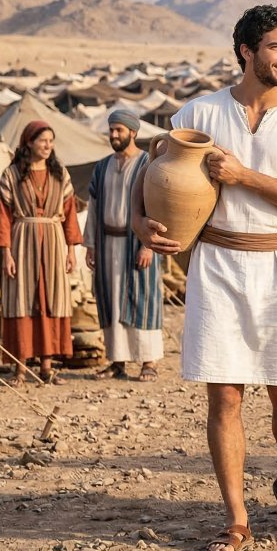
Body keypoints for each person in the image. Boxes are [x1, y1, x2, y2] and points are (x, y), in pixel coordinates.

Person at [132, 5, 277, 551]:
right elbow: (148, 173)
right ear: (246, 51)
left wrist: (243, 175)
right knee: (224, 395)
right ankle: (237, 516)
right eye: (275, 46)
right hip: (217, 264)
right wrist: (140, 223)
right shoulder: (199, 112)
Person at [0, 120, 82, 386]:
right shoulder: (12, 175)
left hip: (53, 242)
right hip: (22, 242)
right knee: (21, 299)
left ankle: (46, 367)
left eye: (51, 141)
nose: (48, 146)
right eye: (43, 141)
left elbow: (70, 215)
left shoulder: (60, 174)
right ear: (29, 143)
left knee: (51, 299)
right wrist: (6, 254)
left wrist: (71, 250)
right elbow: (2, 218)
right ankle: (20, 369)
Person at [86, 110, 163, 382]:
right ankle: (116, 361)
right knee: (112, 303)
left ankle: (148, 362)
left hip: (138, 244)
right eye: (111, 130)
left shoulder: (147, 163)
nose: (114, 135)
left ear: (133, 132)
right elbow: (93, 207)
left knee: (143, 300)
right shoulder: (102, 166)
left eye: (119, 130)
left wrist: (149, 246)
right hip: (107, 243)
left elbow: (157, 207)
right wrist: (91, 245)